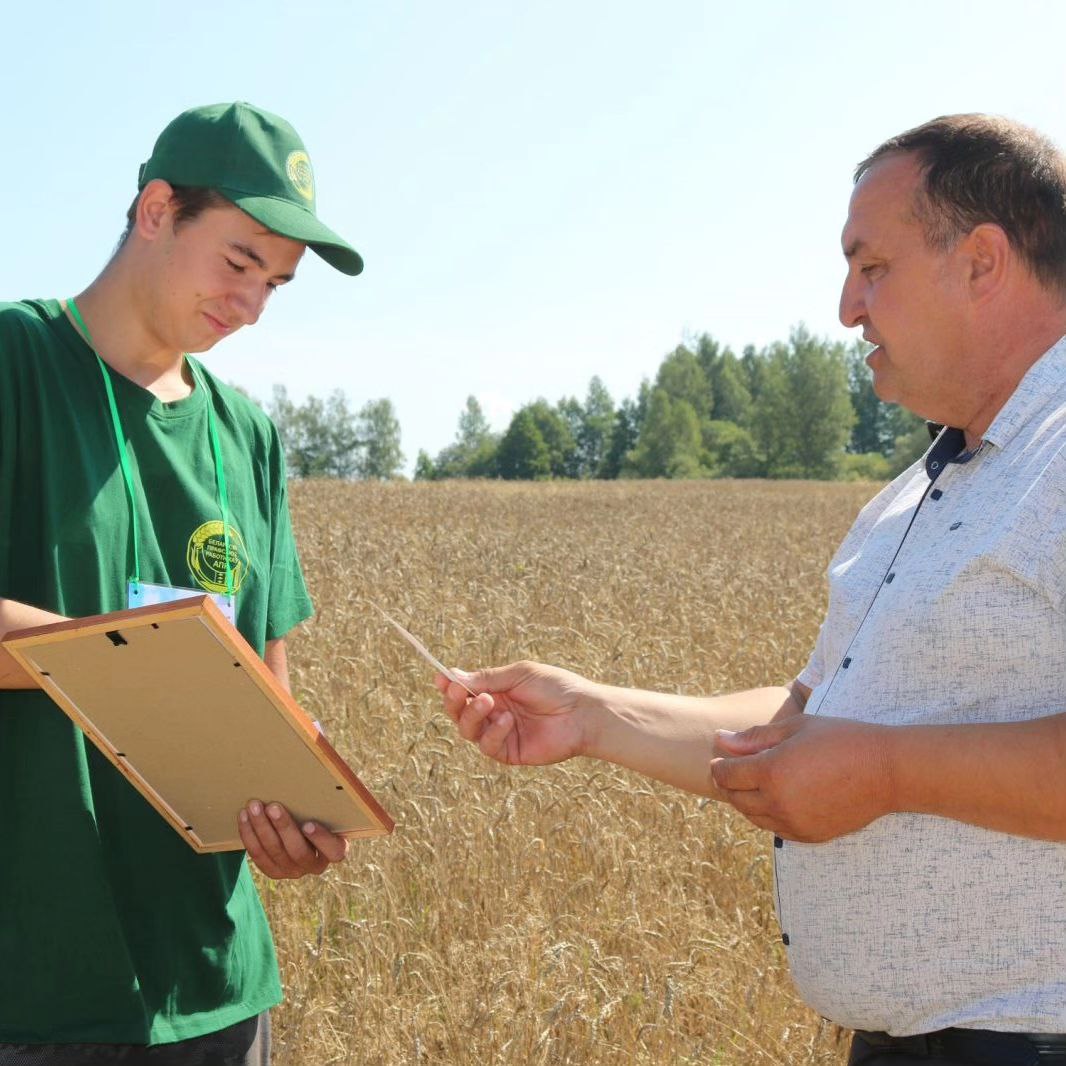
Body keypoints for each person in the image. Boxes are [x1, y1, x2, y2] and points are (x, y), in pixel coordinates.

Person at [438, 114, 1066, 1066]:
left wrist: (889, 773)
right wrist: (596, 715)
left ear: (982, 261)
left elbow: (863, 754)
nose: (847, 308)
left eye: (873, 266)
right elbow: (812, 722)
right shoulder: (919, 489)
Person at [0, 102, 363, 1064]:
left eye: (276, 285)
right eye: (240, 262)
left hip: (215, 989)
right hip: (37, 990)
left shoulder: (247, 436)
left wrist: (298, 813)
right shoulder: (16, 364)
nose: (250, 305)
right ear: (156, 209)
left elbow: (267, 692)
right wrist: (134, 668)